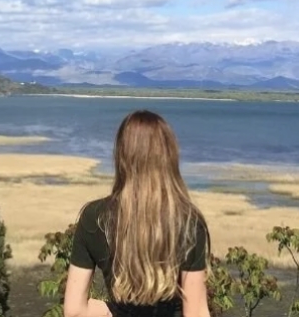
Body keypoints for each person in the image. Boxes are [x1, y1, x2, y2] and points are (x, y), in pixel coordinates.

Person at [64, 110, 211, 317]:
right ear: (169, 156)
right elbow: (195, 313)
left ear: (121, 156)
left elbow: (75, 312)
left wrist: (115, 311)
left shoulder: (94, 218)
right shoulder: (188, 223)